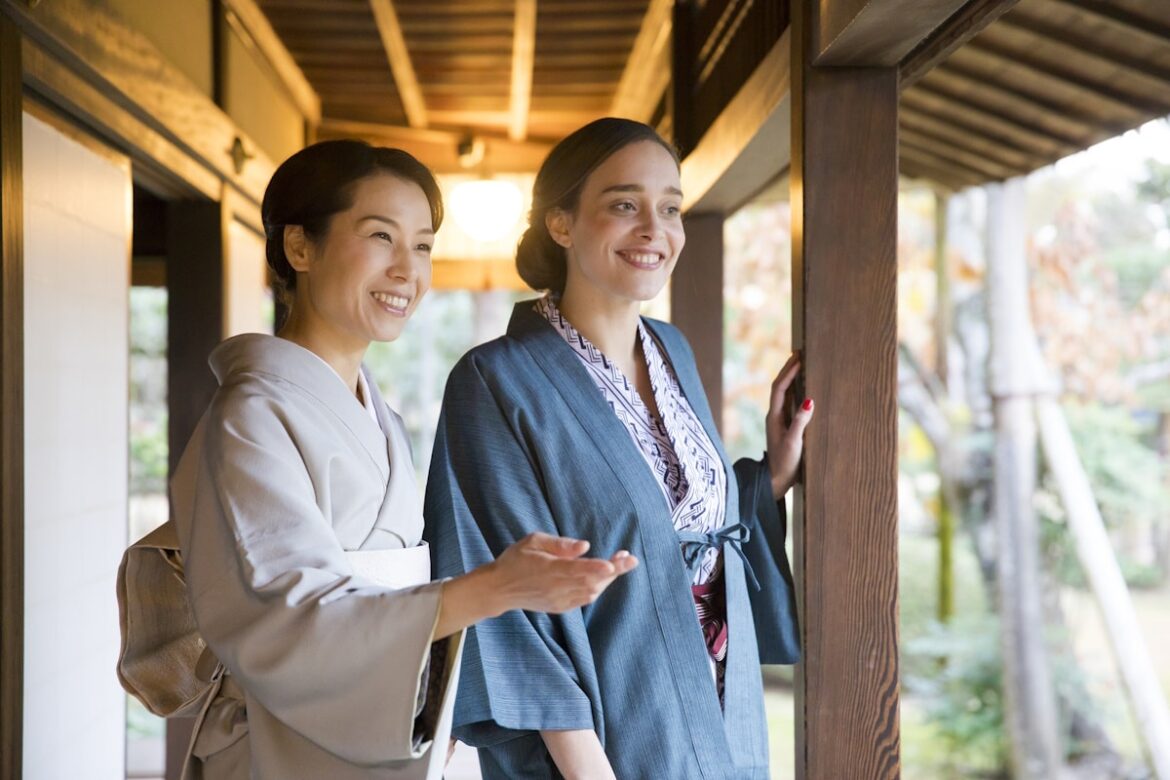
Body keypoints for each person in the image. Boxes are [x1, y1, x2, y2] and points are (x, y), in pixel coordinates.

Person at [163, 139, 637, 779]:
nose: (407, 270)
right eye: (381, 237)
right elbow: (290, 619)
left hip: (385, 738)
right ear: (300, 247)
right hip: (283, 749)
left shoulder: (377, 416)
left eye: (422, 246)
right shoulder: (249, 416)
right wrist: (493, 587)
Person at [424, 117, 814, 779]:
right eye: (624, 205)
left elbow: (681, 525)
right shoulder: (494, 381)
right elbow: (505, 595)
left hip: (723, 718)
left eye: (670, 208)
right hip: (603, 744)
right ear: (562, 223)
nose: (653, 230)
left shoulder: (674, 351)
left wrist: (770, 475)